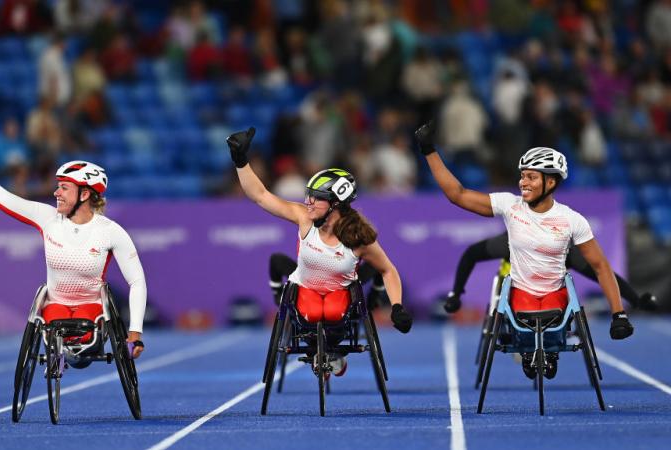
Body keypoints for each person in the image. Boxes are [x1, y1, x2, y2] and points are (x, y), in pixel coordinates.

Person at [414, 121, 634, 380]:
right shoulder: (510, 206)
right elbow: (458, 195)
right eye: (522, 176)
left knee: (553, 322)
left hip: (556, 296)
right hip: (520, 295)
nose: (522, 183)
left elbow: (600, 266)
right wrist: (429, 150)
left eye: (531, 177)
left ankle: (549, 349)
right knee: (525, 321)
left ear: (550, 182)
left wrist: (618, 313)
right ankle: (532, 348)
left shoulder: (572, 219)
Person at [227, 127, 412, 377]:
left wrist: (397, 307)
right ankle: (318, 351)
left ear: (335, 204)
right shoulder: (303, 218)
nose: (308, 202)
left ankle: (332, 351)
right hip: (305, 292)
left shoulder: (359, 238)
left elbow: (387, 270)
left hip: (340, 299)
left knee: (334, 311)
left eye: (316, 198)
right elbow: (260, 196)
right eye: (308, 196)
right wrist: (241, 160)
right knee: (314, 312)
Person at [0, 129, 146, 359]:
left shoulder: (111, 231)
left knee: (82, 333)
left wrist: (134, 332)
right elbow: (1, 196)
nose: (55, 192)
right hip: (56, 304)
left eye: (64, 187)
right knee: (54, 330)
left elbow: (137, 281)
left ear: (84, 194)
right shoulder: (47, 217)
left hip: (91, 310)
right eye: (57, 186)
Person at [441, 231, 658, 313]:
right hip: (513, 295)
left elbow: (603, 273)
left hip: (552, 298)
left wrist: (636, 300)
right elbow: (471, 254)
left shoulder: (566, 251)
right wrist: (456, 293)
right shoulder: (510, 242)